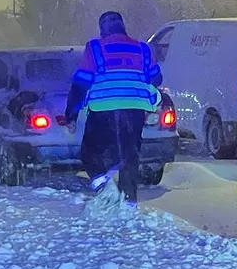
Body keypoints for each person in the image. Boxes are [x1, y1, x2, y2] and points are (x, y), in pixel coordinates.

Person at [62, 11, 162, 207]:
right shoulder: (143, 48)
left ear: (102, 29)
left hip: (103, 109)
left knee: (90, 152)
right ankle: (129, 201)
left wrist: (71, 114)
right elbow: (156, 78)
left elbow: (81, 82)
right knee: (129, 154)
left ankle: (103, 184)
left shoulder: (95, 48)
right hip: (134, 110)